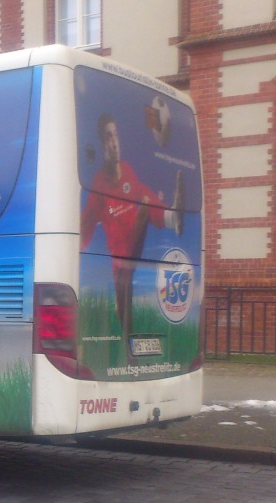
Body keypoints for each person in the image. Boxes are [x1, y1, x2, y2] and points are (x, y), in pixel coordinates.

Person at [81, 112, 184, 341]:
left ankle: (171, 217)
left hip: (134, 246)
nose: (114, 142)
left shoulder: (127, 170)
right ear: (102, 144)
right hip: (120, 262)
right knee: (123, 305)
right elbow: (85, 225)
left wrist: (158, 206)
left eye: (116, 135)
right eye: (108, 137)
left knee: (145, 203)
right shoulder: (98, 184)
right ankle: (129, 351)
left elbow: (142, 194)